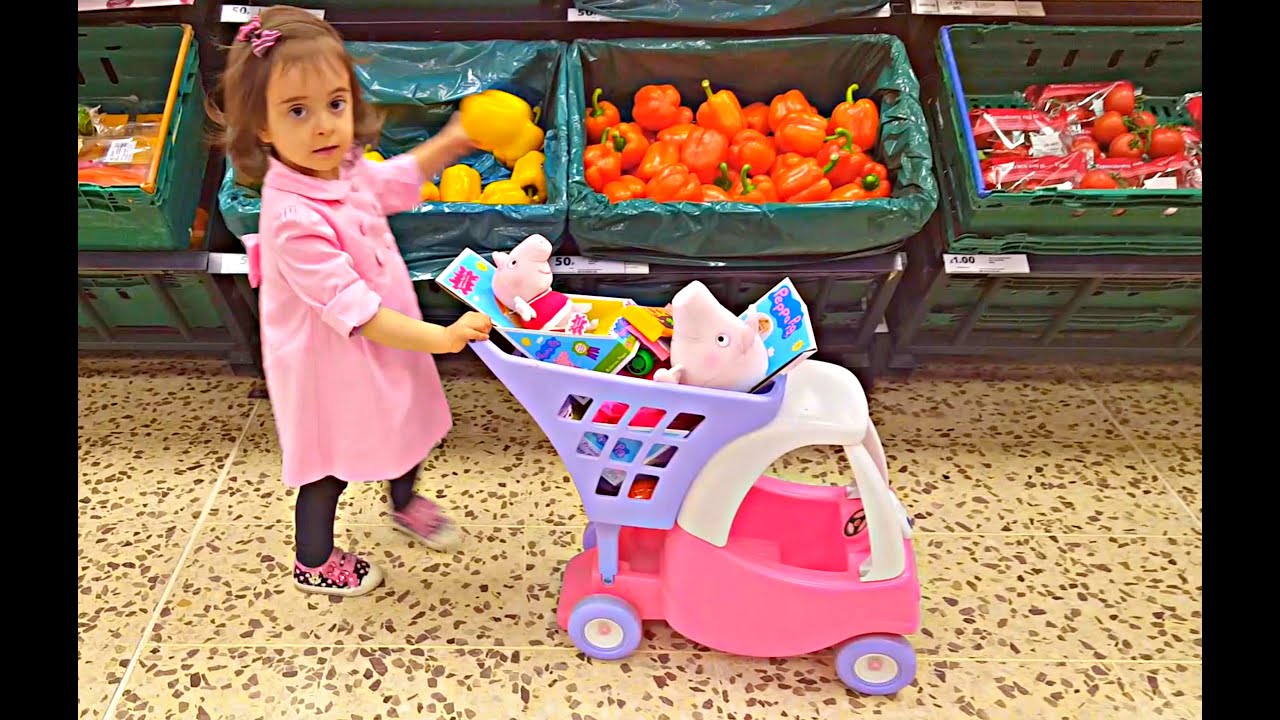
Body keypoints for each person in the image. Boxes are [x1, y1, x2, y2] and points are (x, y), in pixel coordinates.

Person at [209, 6, 493, 597]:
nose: (323, 127)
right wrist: (442, 338)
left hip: (385, 337)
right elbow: (355, 311)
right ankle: (313, 559)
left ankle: (404, 499)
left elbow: (387, 184)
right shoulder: (292, 218)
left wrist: (453, 141)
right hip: (330, 363)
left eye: (335, 104)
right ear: (261, 127)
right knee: (330, 464)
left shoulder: (341, 166)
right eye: (297, 111)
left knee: (408, 421)